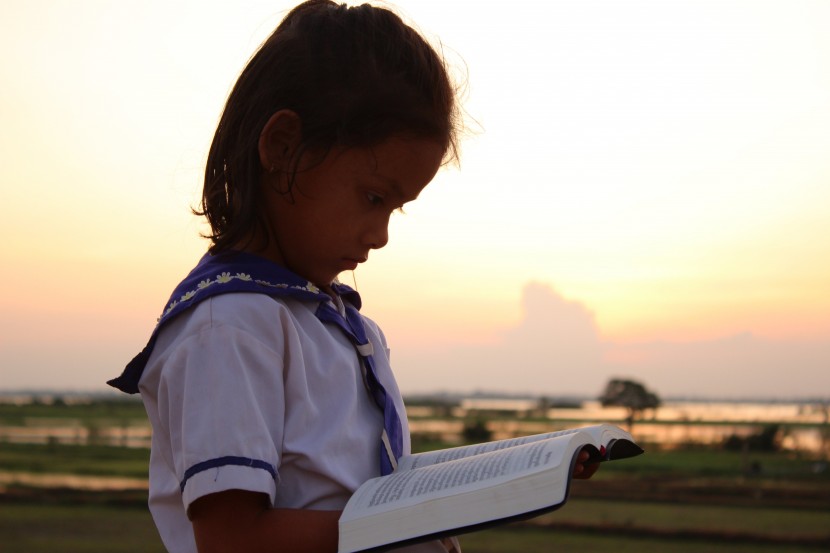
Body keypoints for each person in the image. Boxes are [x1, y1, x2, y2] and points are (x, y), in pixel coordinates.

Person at [108, 2, 597, 552]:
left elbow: (362, 495)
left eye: (396, 208)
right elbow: (233, 539)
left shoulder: (344, 329)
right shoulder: (231, 326)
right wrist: (414, 521)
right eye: (373, 198)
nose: (381, 234)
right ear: (282, 146)